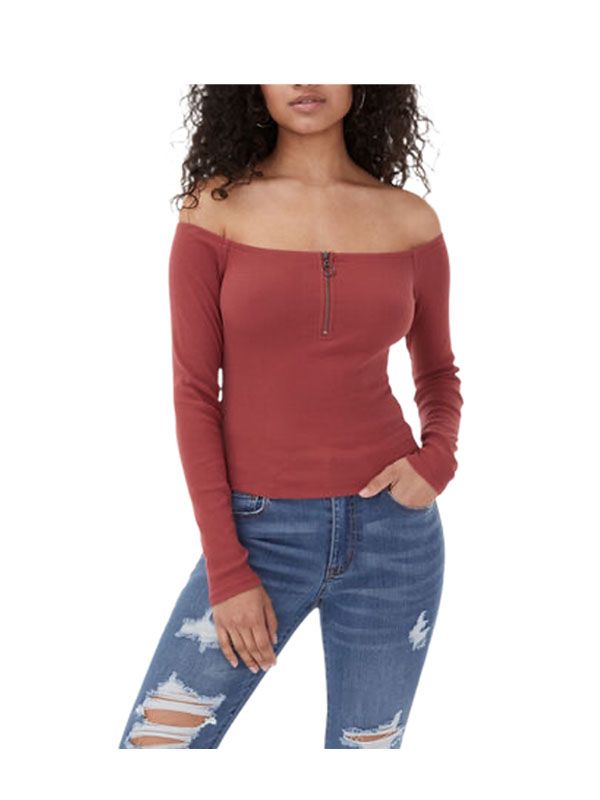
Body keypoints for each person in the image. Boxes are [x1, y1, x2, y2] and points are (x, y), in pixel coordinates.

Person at [118, 84, 464, 749]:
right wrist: (227, 569)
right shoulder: (215, 210)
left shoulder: (410, 220)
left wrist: (437, 462)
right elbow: (195, 393)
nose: (305, 77)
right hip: (257, 534)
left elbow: (438, 373)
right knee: (156, 747)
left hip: (394, 536)